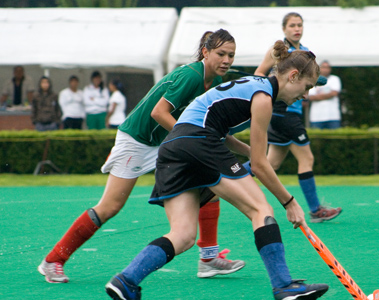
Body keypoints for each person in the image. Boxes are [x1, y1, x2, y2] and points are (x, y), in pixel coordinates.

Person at [105, 40, 329, 300]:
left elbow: (228, 136)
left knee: (183, 235)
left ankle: (126, 281)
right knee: (261, 209)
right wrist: (290, 201)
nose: (305, 95)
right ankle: (283, 286)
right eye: (306, 87)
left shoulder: (255, 85)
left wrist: (248, 156)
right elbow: (259, 164)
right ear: (292, 76)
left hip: (173, 148)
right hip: (200, 144)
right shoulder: (263, 99)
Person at [38, 29, 244, 283]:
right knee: (110, 206)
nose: (226, 60)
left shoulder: (207, 80)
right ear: (205, 52)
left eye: (231, 55)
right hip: (137, 141)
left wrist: (251, 151)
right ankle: (54, 260)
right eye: (221, 54)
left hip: (162, 142)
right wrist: (190, 137)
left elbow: (206, 128)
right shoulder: (192, 76)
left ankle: (209, 258)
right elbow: (159, 113)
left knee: (209, 182)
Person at [247, 12, 342, 223]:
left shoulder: (305, 52)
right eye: (292, 25)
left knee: (271, 163)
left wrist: (317, 80)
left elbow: (307, 80)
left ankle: (225, 179)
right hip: (285, 112)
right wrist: (273, 88)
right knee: (306, 158)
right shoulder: (278, 50)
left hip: (291, 113)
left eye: (299, 25)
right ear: (284, 29)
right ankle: (316, 210)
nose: (296, 28)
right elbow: (258, 74)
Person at [308, 60, 342, 129]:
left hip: (333, 116)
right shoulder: (313, 79)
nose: (325, 69)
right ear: (319, 68)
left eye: (327, 67)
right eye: (323, 67)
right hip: (316, 117)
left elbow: (334, 93)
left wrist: (318, 96)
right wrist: (328, 95)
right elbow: (311, 97)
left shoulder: (335, 79)